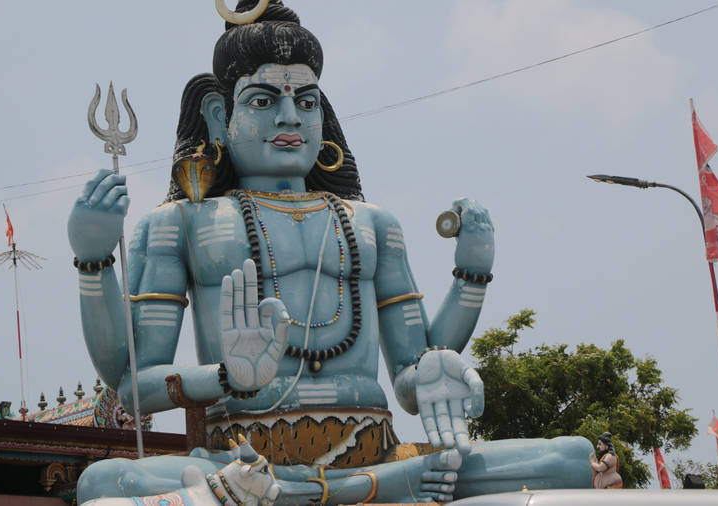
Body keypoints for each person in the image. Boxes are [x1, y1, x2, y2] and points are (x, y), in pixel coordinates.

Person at [69, 1, 591, 503]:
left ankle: (319, 492)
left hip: (374, 449)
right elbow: (133, 387)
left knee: (572, 458)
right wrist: (96, 264)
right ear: (218, 114)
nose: (290, 118)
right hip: (244, 459)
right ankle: (368, 489)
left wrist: (470, 279)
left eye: (306, 102)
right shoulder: (181, 223)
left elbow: (412, 378)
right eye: (263, 101)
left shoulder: (372, 224)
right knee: (106, 483)